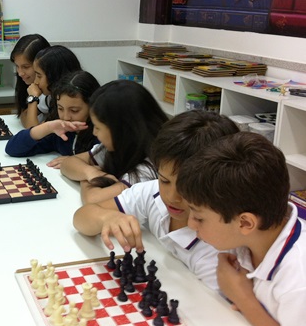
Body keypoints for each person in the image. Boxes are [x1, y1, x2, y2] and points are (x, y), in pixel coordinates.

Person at [73, 110, 239, 290]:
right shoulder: (151, 192)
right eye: (165, 180)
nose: (172, 197)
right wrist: (106, 218)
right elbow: (81, 218)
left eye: (188, 188)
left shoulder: (219, 247)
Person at [176, 132, 306, 326]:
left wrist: (244, 299)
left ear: (245, 223)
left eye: (199, 218)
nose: (191, 224)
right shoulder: (250, 236)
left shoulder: (298, 281)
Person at [60, 80, 168, 203]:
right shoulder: (116, 147)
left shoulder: (148, 169)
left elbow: (92, 199)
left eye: (98, 127)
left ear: (121, 130)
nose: (94, 133)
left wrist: (88, 178)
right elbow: (67, 164)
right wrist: (91, 172)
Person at [5, 71, 100, 168]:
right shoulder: (60, 130)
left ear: (92, 107)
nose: (66, 117)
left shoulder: (102, 134)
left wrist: (75, 161)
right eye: (60, 108)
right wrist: (47, 127)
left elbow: (106, 163)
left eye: (74, 110)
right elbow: (12, 149)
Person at [10, 34, 51, 128]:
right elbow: (24, 115)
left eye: (26, 67)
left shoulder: (52, 92)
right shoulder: (33, 86)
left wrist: (32, 98)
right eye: (17, 66)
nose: (20, 73)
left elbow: (32, 130)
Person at [32, 45, 82, 121]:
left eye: (39, 76)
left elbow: (33, 130)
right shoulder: (50, 97)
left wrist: (32, 99)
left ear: (54, 76)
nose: (35, 82)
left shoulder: (73, 98)